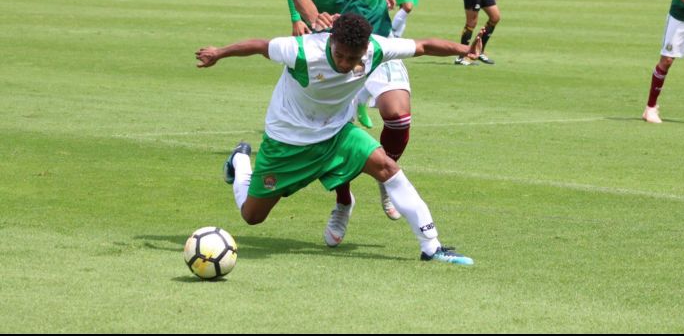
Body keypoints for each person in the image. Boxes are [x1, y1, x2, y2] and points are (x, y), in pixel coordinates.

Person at [197, 14, 479, 265]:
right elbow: (260, 45)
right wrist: (218, 53)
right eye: (340, 55)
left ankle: (432, 247)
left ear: (365, 50)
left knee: (387, 168)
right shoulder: (303, 51)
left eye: (352, 58)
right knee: (252, 216)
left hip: (336, 134)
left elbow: (424, 46)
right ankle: (240, 160)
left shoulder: (376, 49)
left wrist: (466, 49)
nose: (345, 63)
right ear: (331, 40)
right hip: (287, 140)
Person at [280, 0, 460, 224]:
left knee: (398, 115)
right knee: (334, 134)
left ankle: (385, 174)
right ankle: (343, 202)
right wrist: (313, 17)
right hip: (334, 49)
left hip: (377, 36)